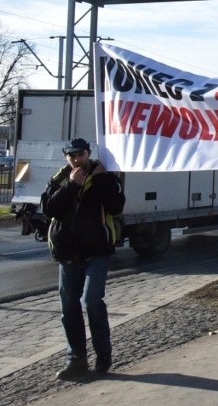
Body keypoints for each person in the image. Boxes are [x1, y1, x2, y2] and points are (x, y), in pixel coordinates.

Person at [41, 137, 126, 381]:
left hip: (96, 251)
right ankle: (75, 360)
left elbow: (116, 206)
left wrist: (99, 180)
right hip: (68, 253)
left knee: (92, 301)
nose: (77, 159)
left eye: (81, 154)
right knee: (69, 308)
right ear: (66, 157)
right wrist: (71, 186)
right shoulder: (60, 179)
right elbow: (49, 209)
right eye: (72, 155)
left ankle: (103, 354)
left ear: (89, 153)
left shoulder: (104, 175)